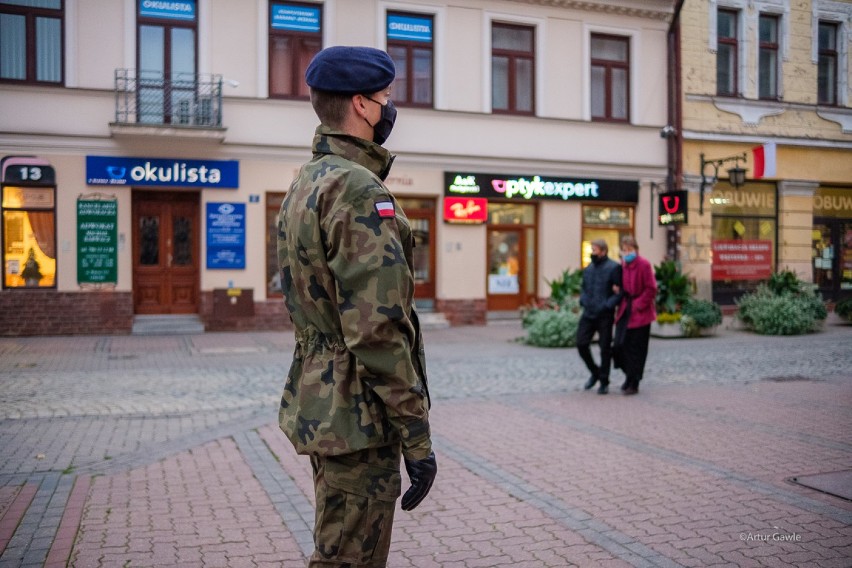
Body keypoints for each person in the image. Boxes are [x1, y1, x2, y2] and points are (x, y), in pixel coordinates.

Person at [276, 45, 436, 567]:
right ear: (363, 106)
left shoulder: (307, 181)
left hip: (325, 405)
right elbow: (378, 330)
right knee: (348, 558)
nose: (390, 108)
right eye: (386, 97)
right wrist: (416, 436)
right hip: (360, 416)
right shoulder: (358, 190)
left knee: (335, 545)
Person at [576, 239, 622, 394]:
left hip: (604, 315)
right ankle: (595, 372)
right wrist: (583, 300)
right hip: (588, 313)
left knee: (604, 349)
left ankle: (604, 380)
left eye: (594, 250)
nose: (592, 253)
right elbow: (584, 288)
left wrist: (607, 305)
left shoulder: (614, 267)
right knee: (581, 344)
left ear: (603, 251)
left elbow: (620, 292)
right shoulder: (589, 268)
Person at [614, 236, 657, 395]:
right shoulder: (622, 265)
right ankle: (628, 374)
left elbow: (651, 288)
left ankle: (634, 381)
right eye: (624, 250)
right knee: (619, 345)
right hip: (625, 309)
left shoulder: (644, 265)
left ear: (636, 250)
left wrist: (639, 304)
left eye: (629, 250)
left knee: (637, 348)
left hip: (641, 312)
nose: (627, 253)